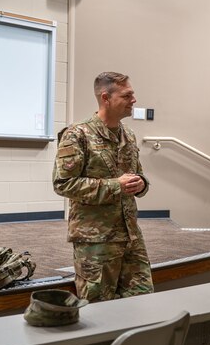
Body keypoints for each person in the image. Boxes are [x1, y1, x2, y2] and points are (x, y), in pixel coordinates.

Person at [53, 72, 154, 302]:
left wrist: (141, 184)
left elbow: (137, 173)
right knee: (98, 310)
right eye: (127, 95)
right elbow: (63, 183)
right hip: (96, 242)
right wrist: (115, 186)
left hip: (130, 237)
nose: (134, 100)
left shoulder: (128, 134)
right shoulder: (77, 134)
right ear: (106, 98)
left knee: (143, 303)